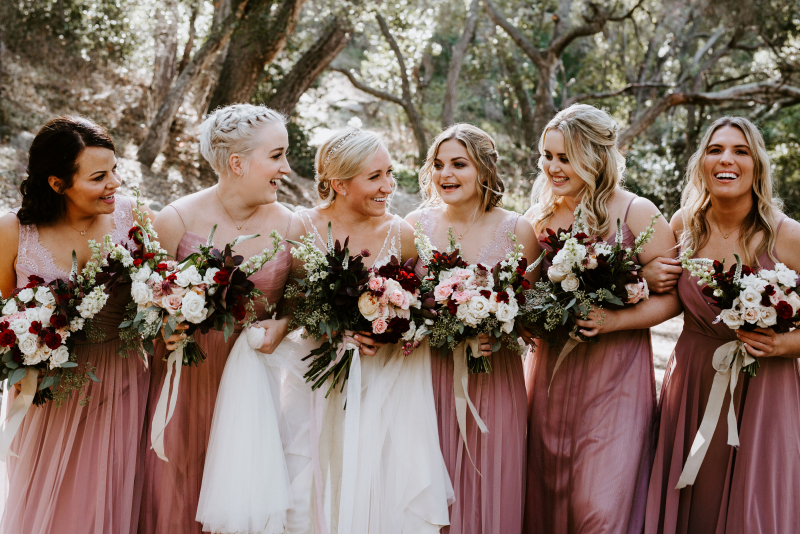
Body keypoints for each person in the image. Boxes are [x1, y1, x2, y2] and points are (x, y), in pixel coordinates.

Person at [138, 103, 304, 534]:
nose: (286, 168)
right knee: (176, 496)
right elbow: (142, 309)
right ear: (237, 162)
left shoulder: (291, 226)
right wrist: (163, 325)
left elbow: (302, 303)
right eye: (277, 155)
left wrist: (284, 325)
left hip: (256, 395)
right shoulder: (175, 220)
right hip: (184, 384)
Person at [522, 104, 680, 533]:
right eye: (547, 156)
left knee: (599, 506)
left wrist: (614, 320)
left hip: (616, 378)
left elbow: (674, 300)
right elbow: (523, 294)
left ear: (594, 156)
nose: (552, 167)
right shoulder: (538, 219)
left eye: (564, 157)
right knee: (551, 492)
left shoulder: (636, 213)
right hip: (551, 373)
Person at [644, 116, 800, 533]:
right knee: (696, 504)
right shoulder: (683, 226)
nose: (725, 159)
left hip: (766, 386)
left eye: (740, 150)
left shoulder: (786, 236)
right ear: (701, 163)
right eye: (715, 150)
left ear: (758, 165)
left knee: (756, 507)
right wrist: (646, 277)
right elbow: (664, 298)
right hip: (693, 381)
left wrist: (784, 346)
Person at [0, 116, 151, 533]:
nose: (114, 184)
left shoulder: (132, 217)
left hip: (122, 379)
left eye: (115, 170)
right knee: (48, 501)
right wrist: (23, 348)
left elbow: (156, 289)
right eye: (99, 176)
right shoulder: (14, 230)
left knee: (106, 495)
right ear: (56, 183)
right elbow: (6, 312)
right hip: (49, 389)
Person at [302, 128, 453, 533]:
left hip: (386, 387)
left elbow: (425, 307)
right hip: (317, 385)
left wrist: (397, 325)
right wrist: (332, 331)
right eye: (375, 177)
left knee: (379, 492)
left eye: (390, 172)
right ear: (338, 183)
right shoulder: (301, 228)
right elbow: (288, 307)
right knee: (318, 487)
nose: (388, 186)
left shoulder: (402, 234)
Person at [405, 123, 540, 534]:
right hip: (426, 378)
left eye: (459, 164)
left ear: (483, 170)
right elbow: (402, 302)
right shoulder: (414, 226)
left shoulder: (518, 230)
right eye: (439, 164)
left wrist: (501, 329)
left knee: (488, 483)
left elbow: (531, 315)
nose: (446, 174)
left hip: (492, 379)